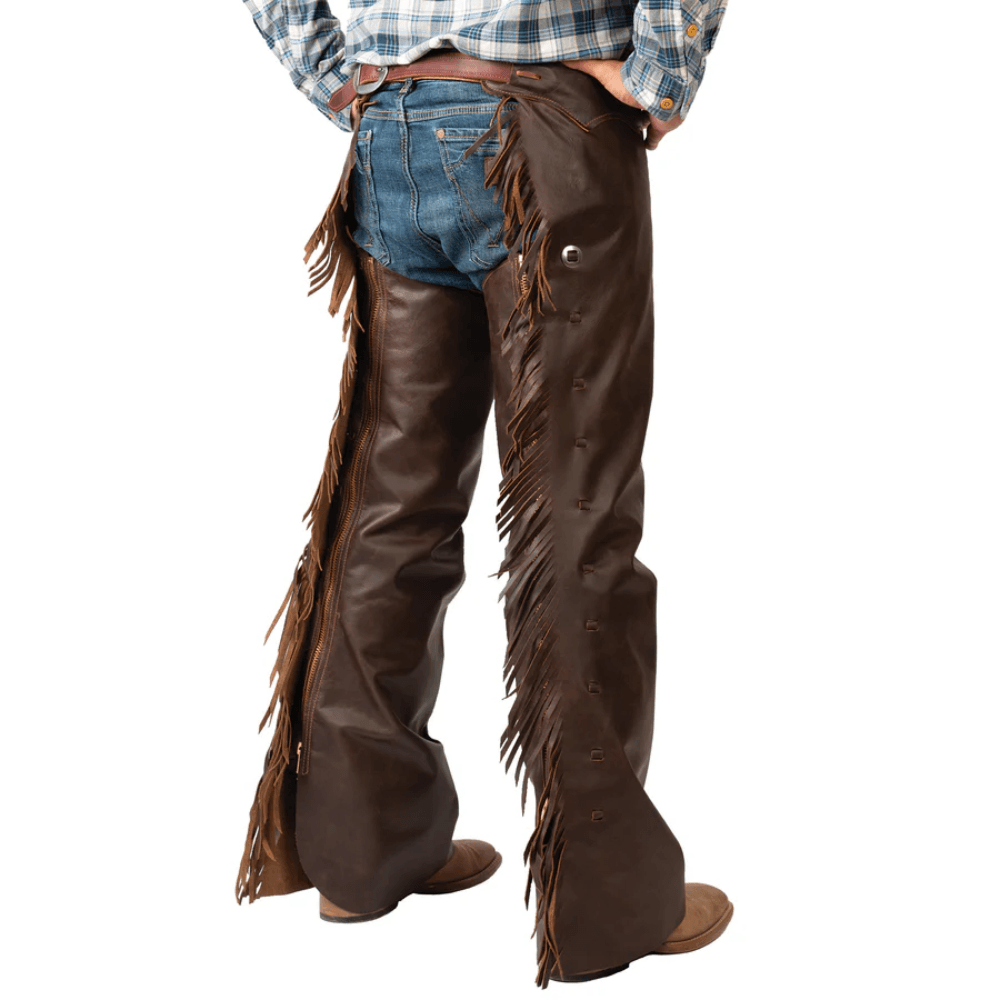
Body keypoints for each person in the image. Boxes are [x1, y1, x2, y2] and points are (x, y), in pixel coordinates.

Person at [234, 1, 731, 987]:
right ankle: (608, 900)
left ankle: (362, 854)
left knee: (390, 504)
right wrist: (663, 76)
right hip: (547, 130)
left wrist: (337, 78)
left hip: (391, 126)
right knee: (575, 514)